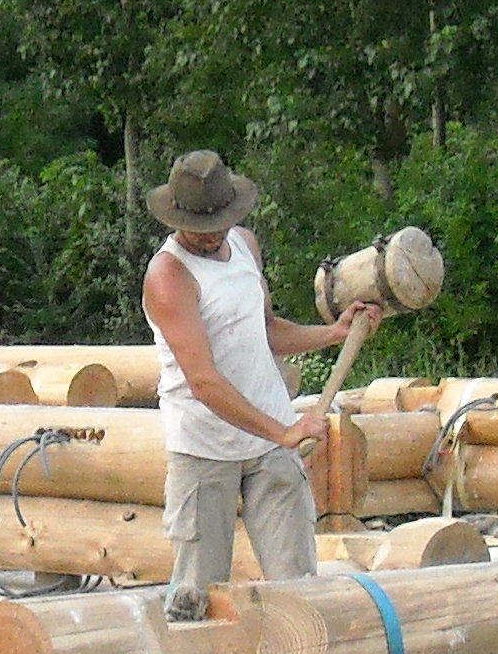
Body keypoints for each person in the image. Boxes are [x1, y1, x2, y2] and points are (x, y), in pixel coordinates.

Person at [139, 149, 379, 621]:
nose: (210, 236)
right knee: (197, 600)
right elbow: (203, 381)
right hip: (204, 449)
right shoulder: (168, 277)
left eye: (217, 225)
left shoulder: (245, 247)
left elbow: (265, 329)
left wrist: (333, 333)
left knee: (298, 590)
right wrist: (284, 431)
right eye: (198, 228)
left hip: (269, 446)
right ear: (177, 218)